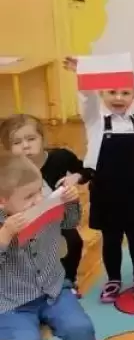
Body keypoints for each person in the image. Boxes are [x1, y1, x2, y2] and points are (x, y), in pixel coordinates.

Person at [0, 154, 102, 340]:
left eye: (38, 191)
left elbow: (69, 223)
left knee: (80, 327)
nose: (37, 199)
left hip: (54, 288)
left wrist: (70, 202)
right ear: (3, 201)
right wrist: (5, 235)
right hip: (11, 304)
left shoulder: (42, 205)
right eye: (28, 197)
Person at [63, 57, 134, 303]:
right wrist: (83, 72)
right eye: (112, 92)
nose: (118, 97)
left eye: (125, 92)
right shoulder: (95, 120)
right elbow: (87, 98)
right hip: (105, 189)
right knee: (111, 237)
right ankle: (113, 278)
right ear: (102, 93)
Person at [0, 114, 90, 294]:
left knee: (73, 241)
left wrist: (75, 178)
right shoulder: (7, 171)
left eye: (31, 139)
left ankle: (68, 279)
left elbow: (87, 169)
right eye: (17, 142)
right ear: (7, 148)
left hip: (53, 218)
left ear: (42, 139)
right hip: (19, 224)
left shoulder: (60, 157)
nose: (25, 146)